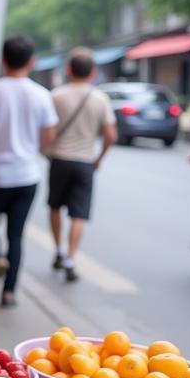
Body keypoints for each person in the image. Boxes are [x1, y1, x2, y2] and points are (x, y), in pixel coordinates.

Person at [0, 36, 58, 307]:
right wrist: (38, 150)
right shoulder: (41, 94)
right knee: (16, 234)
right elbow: (49, 136)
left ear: (2, 60)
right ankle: (9, 293)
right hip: (27, 175)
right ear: (31, 62)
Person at [46, 47, 116, 282]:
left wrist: (47, 151)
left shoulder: (57, 96)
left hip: (59, 160)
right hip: (85, 162)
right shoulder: (100, 98)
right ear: (93, 72)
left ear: (69, 70)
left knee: (55, 207)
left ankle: (57, 249)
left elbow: (47, 131)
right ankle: (70, 257)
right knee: (78, 214)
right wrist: (99, 157)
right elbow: (110, 135)